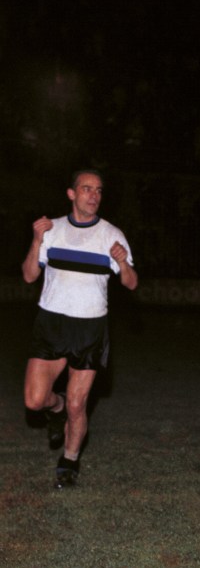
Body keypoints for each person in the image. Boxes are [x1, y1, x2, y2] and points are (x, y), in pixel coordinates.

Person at [21, 169, 138, 488]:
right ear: (71, 194)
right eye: (87, 189)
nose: (94, 196)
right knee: (34, 400)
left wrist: (124, 264)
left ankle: (69, 460)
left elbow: (131, 283)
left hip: (90, 327)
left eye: (99, 190)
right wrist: (35, 240)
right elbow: (30, 276)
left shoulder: (112, 234)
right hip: (51, 324)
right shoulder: (51, 230)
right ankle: (54, 408)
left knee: (78, 403)